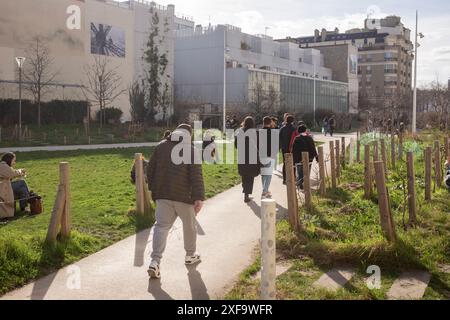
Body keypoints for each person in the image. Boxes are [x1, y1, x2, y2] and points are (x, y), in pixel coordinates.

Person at [146, 124, 205, 279]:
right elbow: (196, 175)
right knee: (189, 225)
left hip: (163, 194)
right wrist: (199, 197)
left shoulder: (160, 146)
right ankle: (190, 255)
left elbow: (150, 170)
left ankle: (155, 261)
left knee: (161, 226)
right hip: (184, 196)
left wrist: (154, 190)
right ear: (189, 135)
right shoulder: (191, 149)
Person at [235, 116, 260, 203]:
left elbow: (236, 145)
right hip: (252, 156)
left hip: (242, 155)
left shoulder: (239, 132)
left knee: (244, 174)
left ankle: (245, 190)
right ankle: (246, 193)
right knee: (250, 175)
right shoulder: (255, 132)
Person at [0, 153, 30, 219]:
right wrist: (20, 171)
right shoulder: (2, 165)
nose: (14, 162)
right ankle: (29, 198)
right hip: (2, 188)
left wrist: (19, 172)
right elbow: (12, 174)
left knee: (22, 189)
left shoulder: (4, 165)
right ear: (9, 160)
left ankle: (24, 207)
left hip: (4, 186)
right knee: (22, 182)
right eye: (13, 160)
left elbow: (11, 174)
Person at [292, 124, 318, 190]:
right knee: (307, 173)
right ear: (305, 130)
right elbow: (313, 148)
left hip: (299, 159)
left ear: (298, 131)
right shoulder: (309, 138)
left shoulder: (297, 138)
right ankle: (305, 184)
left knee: (300, 173)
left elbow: (294, 150)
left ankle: (299, 184)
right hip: (309, 158)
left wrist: (294, 160)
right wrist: (316, 157)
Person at [259, 116, 276, 199]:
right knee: (268, 173)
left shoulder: (259, 132)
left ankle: (265, 189)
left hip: (261, 154)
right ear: (270, 122)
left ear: (263, 122)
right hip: (270, 155)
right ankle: (265, 191)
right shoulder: (273, 132)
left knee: (263, 173)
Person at [279, 115, 296, 184]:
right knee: (293, 163)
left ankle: (284, 179)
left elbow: (279, 139)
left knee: (285, 163)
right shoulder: (294, 129)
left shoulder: (282, 129)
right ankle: (292, 177)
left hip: (284, 148)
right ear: (292, 121)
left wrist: (280, 147)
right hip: (292, 148)